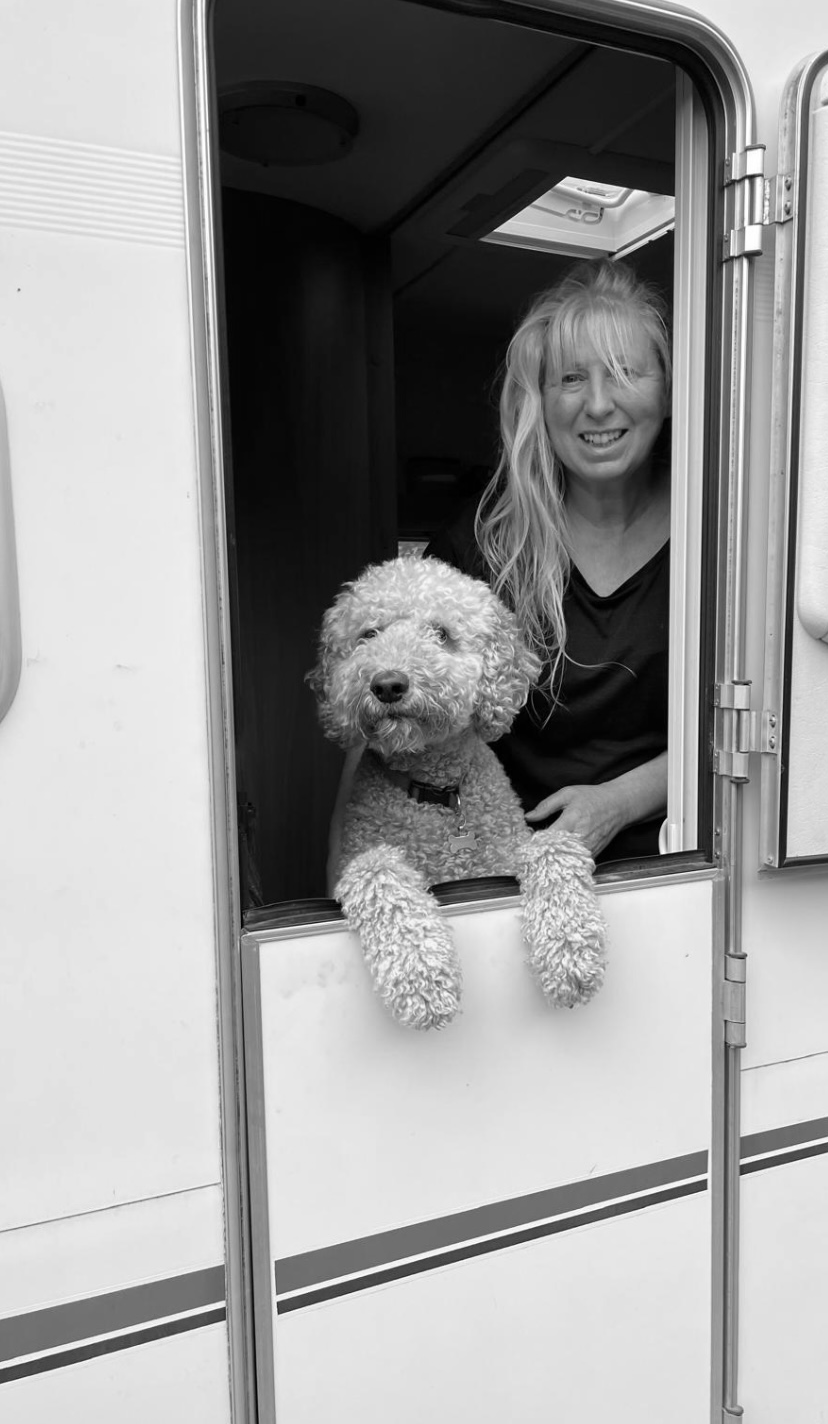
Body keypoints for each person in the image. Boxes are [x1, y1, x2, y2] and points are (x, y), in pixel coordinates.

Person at [426, 258, 671, 863]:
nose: (597, 405)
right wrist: (342, 877)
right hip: (512, 874)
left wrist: (619, 800)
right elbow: (392, 706)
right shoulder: (485, 543)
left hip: (683, 871)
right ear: (541, 401)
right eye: (569, 379)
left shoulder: (721, 532)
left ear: (668, 390)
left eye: (622, 373)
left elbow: (756, 725)